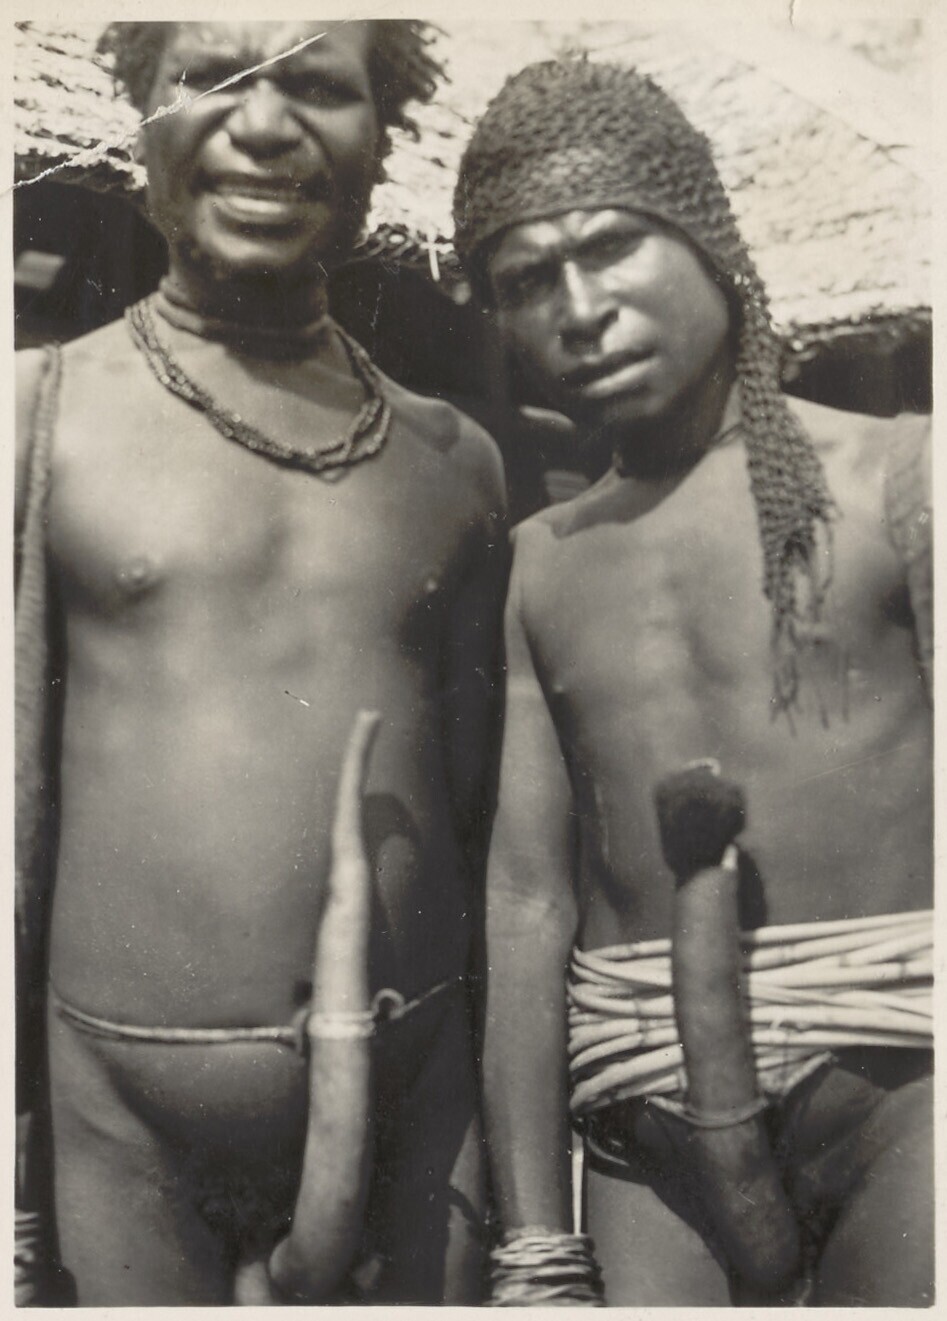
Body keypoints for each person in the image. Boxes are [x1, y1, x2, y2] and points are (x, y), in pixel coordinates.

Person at [15, 20, 507, 1306]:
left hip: (417, 1114)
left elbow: (485, 819)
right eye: (211, 77)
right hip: (122, 1126)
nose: (265, 123)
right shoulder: (38, 418)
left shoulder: (455, 465)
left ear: (382, 135)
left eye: (318, 85)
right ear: (140, 113)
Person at [453, 59, 932, 1306]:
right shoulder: (540, 563)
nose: (578, 308)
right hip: (642, 1124)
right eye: (527, 282)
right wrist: (535, 1241)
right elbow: (525, 898)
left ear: (709, 242)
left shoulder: (899, 480)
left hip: (902, 1093)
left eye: (610, 247)